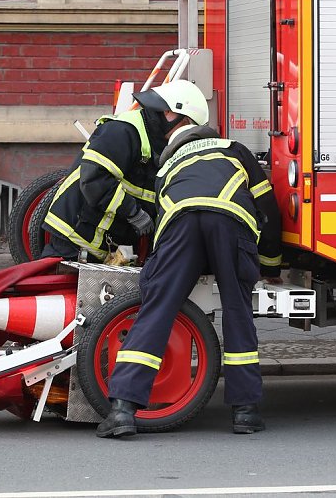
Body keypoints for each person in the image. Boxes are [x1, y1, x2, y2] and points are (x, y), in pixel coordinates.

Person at [96, 80, 283, 438]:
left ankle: (122, 410)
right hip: (232, 227)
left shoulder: (166, 167)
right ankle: (245, 412)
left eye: (162, 111)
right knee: (238, 312)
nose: (154, 117)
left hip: (180, 228)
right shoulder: (235, 150)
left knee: (158, 309)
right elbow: (267, 208)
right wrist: (270, 263)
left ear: (180, 118)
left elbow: (157, 219)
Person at [40, 85, 172, 261]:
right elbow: (94, 180)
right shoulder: (121, 132)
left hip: (105, 243)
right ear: (169, 114)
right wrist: (134, 213)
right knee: (56, 285)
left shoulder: (155, 144)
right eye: (187, 123)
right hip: (75, 237)